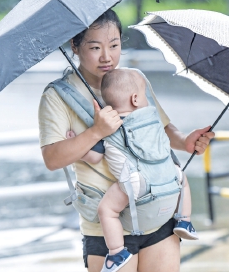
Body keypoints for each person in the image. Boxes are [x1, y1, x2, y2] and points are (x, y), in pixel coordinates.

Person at [39, 9, 215, 272]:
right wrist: (95, 132)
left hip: (157, 214)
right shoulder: (57, 96)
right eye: (95, 47)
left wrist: (185, 141)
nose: (107, 57)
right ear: (74, 46)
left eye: (114, 45)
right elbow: (52, 159)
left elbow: (160, 129)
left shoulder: (134, 80)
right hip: (107, 229)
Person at [66, 68, 198, 271]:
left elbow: (93, 157)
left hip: (136, 182)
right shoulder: (154, 120)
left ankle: (117, 251)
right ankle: (185, 220)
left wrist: (76, 142)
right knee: (184, 179)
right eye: (145, 95)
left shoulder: (108, 126)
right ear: (135, 99)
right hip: (169, 176)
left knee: (106, 210)